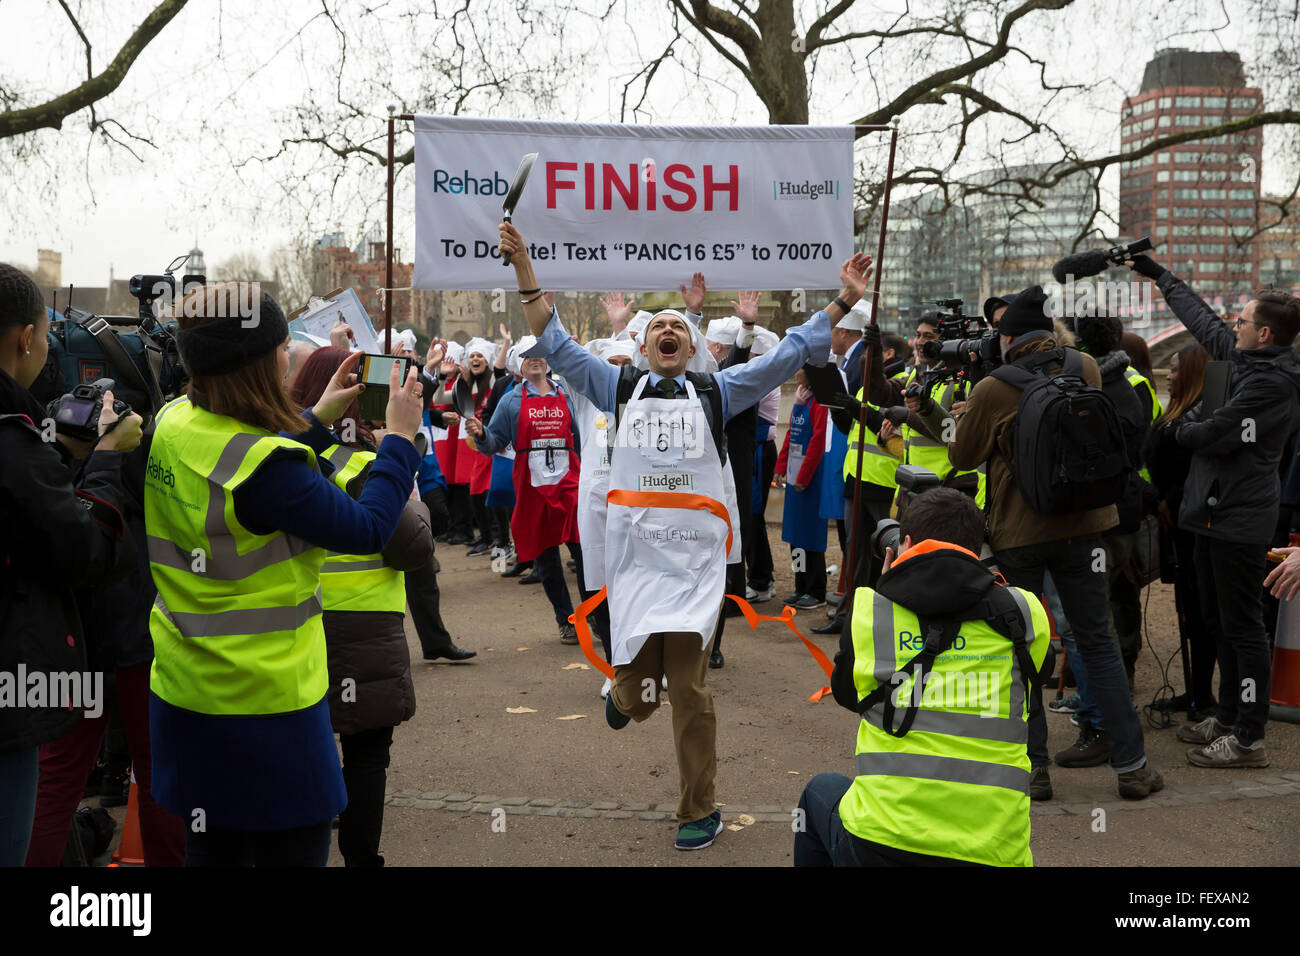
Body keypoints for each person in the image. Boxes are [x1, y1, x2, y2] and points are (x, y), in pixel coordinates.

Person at [500, 219, 874, 851]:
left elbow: (787, 354)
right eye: (657, 328)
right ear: (644, 348)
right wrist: (524, 268)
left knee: (691, 691)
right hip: (638, 567)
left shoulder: (718, 391)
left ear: (691, 344)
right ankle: (627, 691)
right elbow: (556, 342)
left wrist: (841, 301)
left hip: (696, 571)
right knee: (645, 693)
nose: (667, 332)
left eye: (677, 326)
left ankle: (697, 807)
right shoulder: (614, 385)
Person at [145, 283, 424, 866]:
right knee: (293, 848)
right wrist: (399, 439)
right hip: (267, 706)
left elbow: (244, 439)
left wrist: (316, 414)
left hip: (184, 691)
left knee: (210, 846)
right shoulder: (270, 469)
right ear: (265, 360)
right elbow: (370, 528)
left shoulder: (172, 422)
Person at [912, 286, 1162, 800]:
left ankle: (1034, 770)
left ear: (1005, 338)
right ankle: (1133, 767)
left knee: (1023, 650)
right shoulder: (1085, 368)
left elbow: (963, 456)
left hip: (1020, 536)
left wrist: (959, 414)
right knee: (1098, 642)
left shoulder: (993, 389)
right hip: (1087, 527)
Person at [795, 488, 1050, 867]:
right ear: (976, 547)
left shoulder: (872, 613)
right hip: (994, 852)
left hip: (882, 843)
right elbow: (1035, 676)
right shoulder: (1024, 612)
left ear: (905, 544)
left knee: (820, 792)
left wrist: (888, 587)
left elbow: (847, 694)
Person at [1127, 255, 1300, 766]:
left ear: (1264, 334)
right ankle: (1226, 714)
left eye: (1242, 321)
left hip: (1239, 520)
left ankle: (1249, 735)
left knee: (1244, 628)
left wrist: (1178, 431)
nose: (1233, 326)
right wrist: (1161, 276)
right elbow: (1199, 319)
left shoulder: (1273, 383)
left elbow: (1216, 433)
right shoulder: (1246, 358)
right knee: (1216, 619)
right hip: (1207, 513)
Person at [0, 264, 144, 866]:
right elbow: (86, 551)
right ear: (27, 338)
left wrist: (58, 451)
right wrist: (107, 461)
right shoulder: (12, 436)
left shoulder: (23, 441)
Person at [289, 348, 430, 866]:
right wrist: (402, 451)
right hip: (368, 622)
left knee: (306, 748)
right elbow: (412, 546)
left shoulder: (281, 450)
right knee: (368, 758)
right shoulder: (373, 459)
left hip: (300, 617)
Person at [466, 345, 583, 645]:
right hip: (531, 489)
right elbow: (493, 443)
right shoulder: (511, 400)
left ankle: (593, 615)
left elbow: (579, 442)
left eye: (540, 353)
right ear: (521, 362)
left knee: (585, 553)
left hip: (569, 484)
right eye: (529, 355)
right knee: (546, 558)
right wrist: (480, 433)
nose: (535, 359)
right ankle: (566, 620)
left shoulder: (566, 395)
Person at [1143, 343, 1217, 720]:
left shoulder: (1195, 421)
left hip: (1190, 526)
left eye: (1173, 371)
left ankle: (1203, 698)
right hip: (1176, 522)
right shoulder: (1177, 414)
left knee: (1200, 613)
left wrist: (1167, 499)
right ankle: (1195, 692)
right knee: (1189, 610)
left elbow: (1190, 473)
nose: (1168, 376)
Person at [775, 369, 831, 608]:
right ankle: (800, 587)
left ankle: (816, 591)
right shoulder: (801, 397)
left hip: (810, 479)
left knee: (810, 537)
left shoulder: (820, 402)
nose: (795, 371)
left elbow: (818, 440)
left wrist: (804, 476)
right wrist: (781, 466)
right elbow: (792, 434)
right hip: (795, 475)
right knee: (795, 536)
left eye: (800, 367)